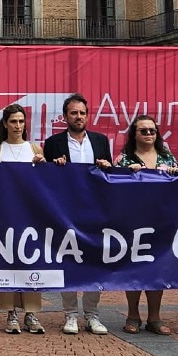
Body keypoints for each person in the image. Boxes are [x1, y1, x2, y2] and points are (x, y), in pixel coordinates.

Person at [43, 93, 111, 336]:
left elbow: (109, 177)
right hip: (66, 211)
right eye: (74, 113)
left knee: (95, 261)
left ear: (87, 115)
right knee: (68, 261)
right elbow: (46, 179)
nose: (78, 117)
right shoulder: (53, 143)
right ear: (65, 116)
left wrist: (106, 167)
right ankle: (70, 314)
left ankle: (92, 315)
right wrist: (56, 167)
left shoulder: (101, 141)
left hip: (94, 210)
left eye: (82, 113)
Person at [115, 115, 178, 335]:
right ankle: (133, 315)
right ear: (134, 134)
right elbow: (113, 188)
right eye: (144, 131)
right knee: (133, 267)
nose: (149, 134)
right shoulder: (124, 159)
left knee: (157, 268)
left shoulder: (168, 158)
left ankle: (155, 317)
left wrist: (174, 174)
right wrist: (126, 173)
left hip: (161, 221)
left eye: (152, 130)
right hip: (133, 221)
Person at [0, 104, 46, 334]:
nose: (17, 125)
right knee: (7, 261)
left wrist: (43, 165)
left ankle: (31, 314)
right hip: (5, 213)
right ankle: (10, 313)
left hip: (31, 214)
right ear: (5, 123)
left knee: (32, 260)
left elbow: (43, 183)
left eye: (21, 121)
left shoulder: (35, 148)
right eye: (13, 121)